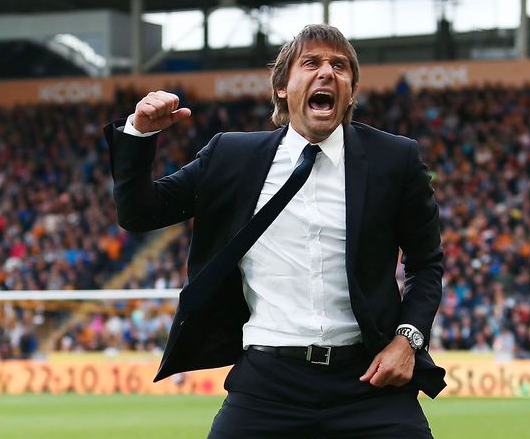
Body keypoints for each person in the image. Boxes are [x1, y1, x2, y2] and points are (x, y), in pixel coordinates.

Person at [104, 24, 445, 439]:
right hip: (268, 382)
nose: (327, 72)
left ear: (352, 90)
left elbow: (426, 263)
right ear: (282, 87)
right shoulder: (232, 156)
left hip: (368, 381)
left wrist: (407, 340)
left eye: (339, 66)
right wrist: (140, 133)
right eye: (311, 63)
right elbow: (140, 214)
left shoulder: (395, 158)